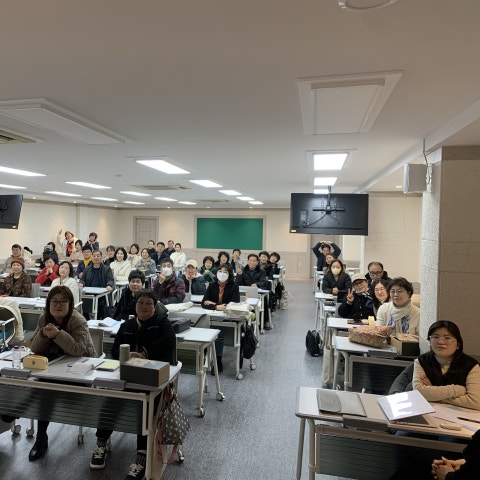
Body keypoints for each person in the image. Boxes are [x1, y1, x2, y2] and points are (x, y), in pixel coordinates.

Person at [90, 289, 176, 478]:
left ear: (155, 306)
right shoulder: (127, 325)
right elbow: (114, 351)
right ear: (135, 305)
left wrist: (144, 353)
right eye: (140, 303)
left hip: (153, 380)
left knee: (146, 408)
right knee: (109, 399)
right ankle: (101, 442)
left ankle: (142, 455)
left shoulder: (162, 323)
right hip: (127, 376)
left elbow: (169, 342)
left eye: (148, 303)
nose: (144, 307)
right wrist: (127, 356)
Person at [28, 286, 96, 461]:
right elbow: (34, 348)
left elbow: (79, 350)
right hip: (52, 370)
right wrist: (43, 334)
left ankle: (40, 437)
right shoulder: (44, 318)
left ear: (70, 304)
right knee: (42, 387)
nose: (58, 305)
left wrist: (58, 334)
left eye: (63, 302)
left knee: (45, 390)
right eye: (54, 301)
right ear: (48, 303)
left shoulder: (77, 320)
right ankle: (40, 437)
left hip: (79, 372)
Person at [413, 320, 480, 410]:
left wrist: (433, 393)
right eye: (436, 337)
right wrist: (457, 390)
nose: (441, 342)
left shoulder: (471, 365)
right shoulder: (422, 361)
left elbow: (476, 402)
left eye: (447, 338)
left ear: (458, 344)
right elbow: (418, 393)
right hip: (430, 412)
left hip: (460, 415)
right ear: (430, 341)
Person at [202, 264, 240, 374]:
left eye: (225, 272)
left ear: (230, 274)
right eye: (220, 271)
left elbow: (234, 304)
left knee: (218, 330)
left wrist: (213, 303)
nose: (222, 274)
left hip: (227, 318)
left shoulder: (234, 286)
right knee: (205, 325)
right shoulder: (212, 285)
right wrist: (216, 306)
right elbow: (204, 302)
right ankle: (205, 357)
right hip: (213, 316)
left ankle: (217, 360)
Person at [236, 254, 272, 329]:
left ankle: (263, 322)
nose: (252, 262)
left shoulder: (262, 271)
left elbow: (264, 282)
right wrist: (239, 275)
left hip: (257, 293)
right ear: (247, 261)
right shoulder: (242, 270)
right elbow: (237, 284)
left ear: (257, 262)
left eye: (254, 261)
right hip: (245, 294)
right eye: (250, 260)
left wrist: (257, 284)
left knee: (264, 301)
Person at [78, 250, 115, 319]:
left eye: (98, 256)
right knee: (83, 304)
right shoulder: (87, 269)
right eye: (94, 256)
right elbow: (82, 279)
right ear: (92, 257)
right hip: (89, 294)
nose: (96, 257)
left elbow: (110, 279)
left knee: (101, 305)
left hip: (102, 295)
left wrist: (109, 285)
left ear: (101, 257)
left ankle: (99, 319)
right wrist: (81, 283)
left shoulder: (107, 269)